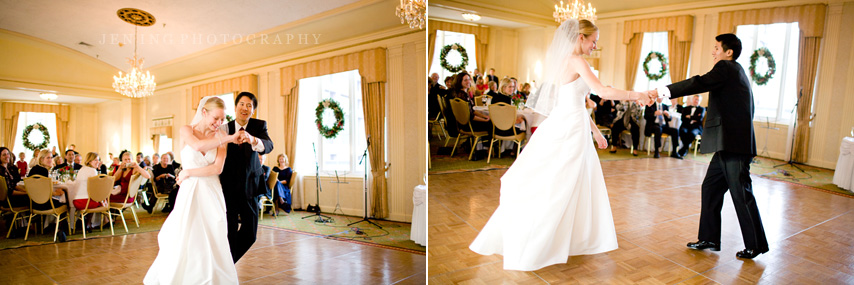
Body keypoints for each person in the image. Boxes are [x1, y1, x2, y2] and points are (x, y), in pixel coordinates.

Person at [470, 19, 649, 271]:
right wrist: (637, 94)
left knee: (574, 184)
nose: (595, 46)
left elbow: (576, 104)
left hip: (571, 125)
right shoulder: (576, 61)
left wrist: (596, 132)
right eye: (593, 40)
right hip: (569, 131)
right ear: (580, 38)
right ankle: (538, 243)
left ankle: (570, 239)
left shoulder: (570, 61)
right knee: (560, 186)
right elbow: (602, 92)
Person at [646, 33, 768, 259]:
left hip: (734, 145)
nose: (713, 51)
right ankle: (709, 238)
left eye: (716, 47)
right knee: (710, 188)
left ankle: (756, 244)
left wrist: (662, 91)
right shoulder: (735, 72)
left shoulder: (726, 68)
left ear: (728, 52)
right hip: (727, 144)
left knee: (741, 193)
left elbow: (698, 82)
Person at [144, 96, 241, 284]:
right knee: (184, 234)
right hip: (189, 192)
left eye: (222, 119)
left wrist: (188, 172)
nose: (219, 123)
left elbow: (216, 169)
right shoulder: (186, 130)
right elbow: (197, 145)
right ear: (204, 112)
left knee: (213, 235)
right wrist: (230, 137)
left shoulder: (221, 138)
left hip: (211, 190)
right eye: (216, 118)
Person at [220, 92, 274, 263]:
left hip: (250, 186)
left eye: (249, 105)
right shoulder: (225, 128)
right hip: (228, 186)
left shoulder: (259, 126)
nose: (245, 108)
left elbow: (269, 145)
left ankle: (227, 264)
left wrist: (252, 139)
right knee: (229, 231)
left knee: (250, 233)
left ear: (253, 110)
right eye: (242, 104)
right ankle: (226, 269)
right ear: (235, 107)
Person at [69, 152, 105, 231]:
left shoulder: (82, 169)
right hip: (85, 202)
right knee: (101, 200)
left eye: (98, 160)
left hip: (76, 202)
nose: (98, 162)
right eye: (95, 160)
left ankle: (88, 223)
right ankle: (94, 223)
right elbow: (96, 189)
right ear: (89, 161)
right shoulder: (92, 171)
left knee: (95, 199)